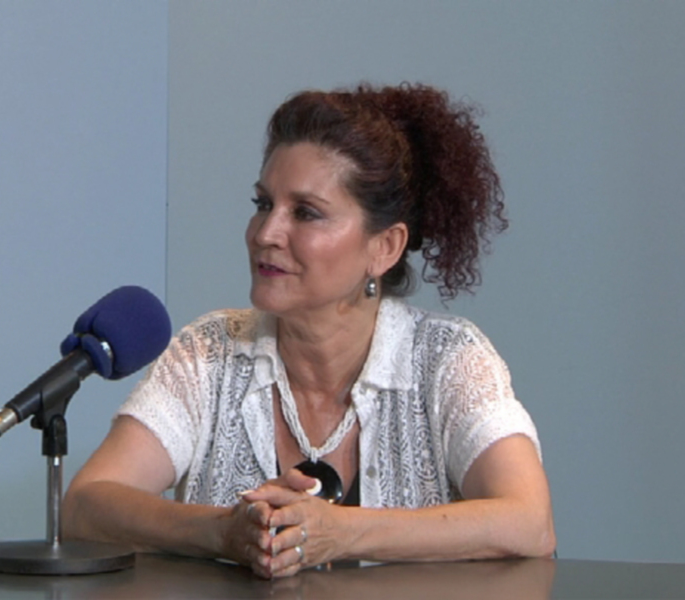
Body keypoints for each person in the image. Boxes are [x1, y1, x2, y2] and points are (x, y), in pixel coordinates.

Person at [61, 82, 556, 579]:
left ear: (384, 248)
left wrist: (339, 533)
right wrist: (224, 532)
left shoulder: (449, 358)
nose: (266, 234)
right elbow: (85, 506)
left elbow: (529, 522)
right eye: (262, 204)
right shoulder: (209, 351)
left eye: (305, 213)